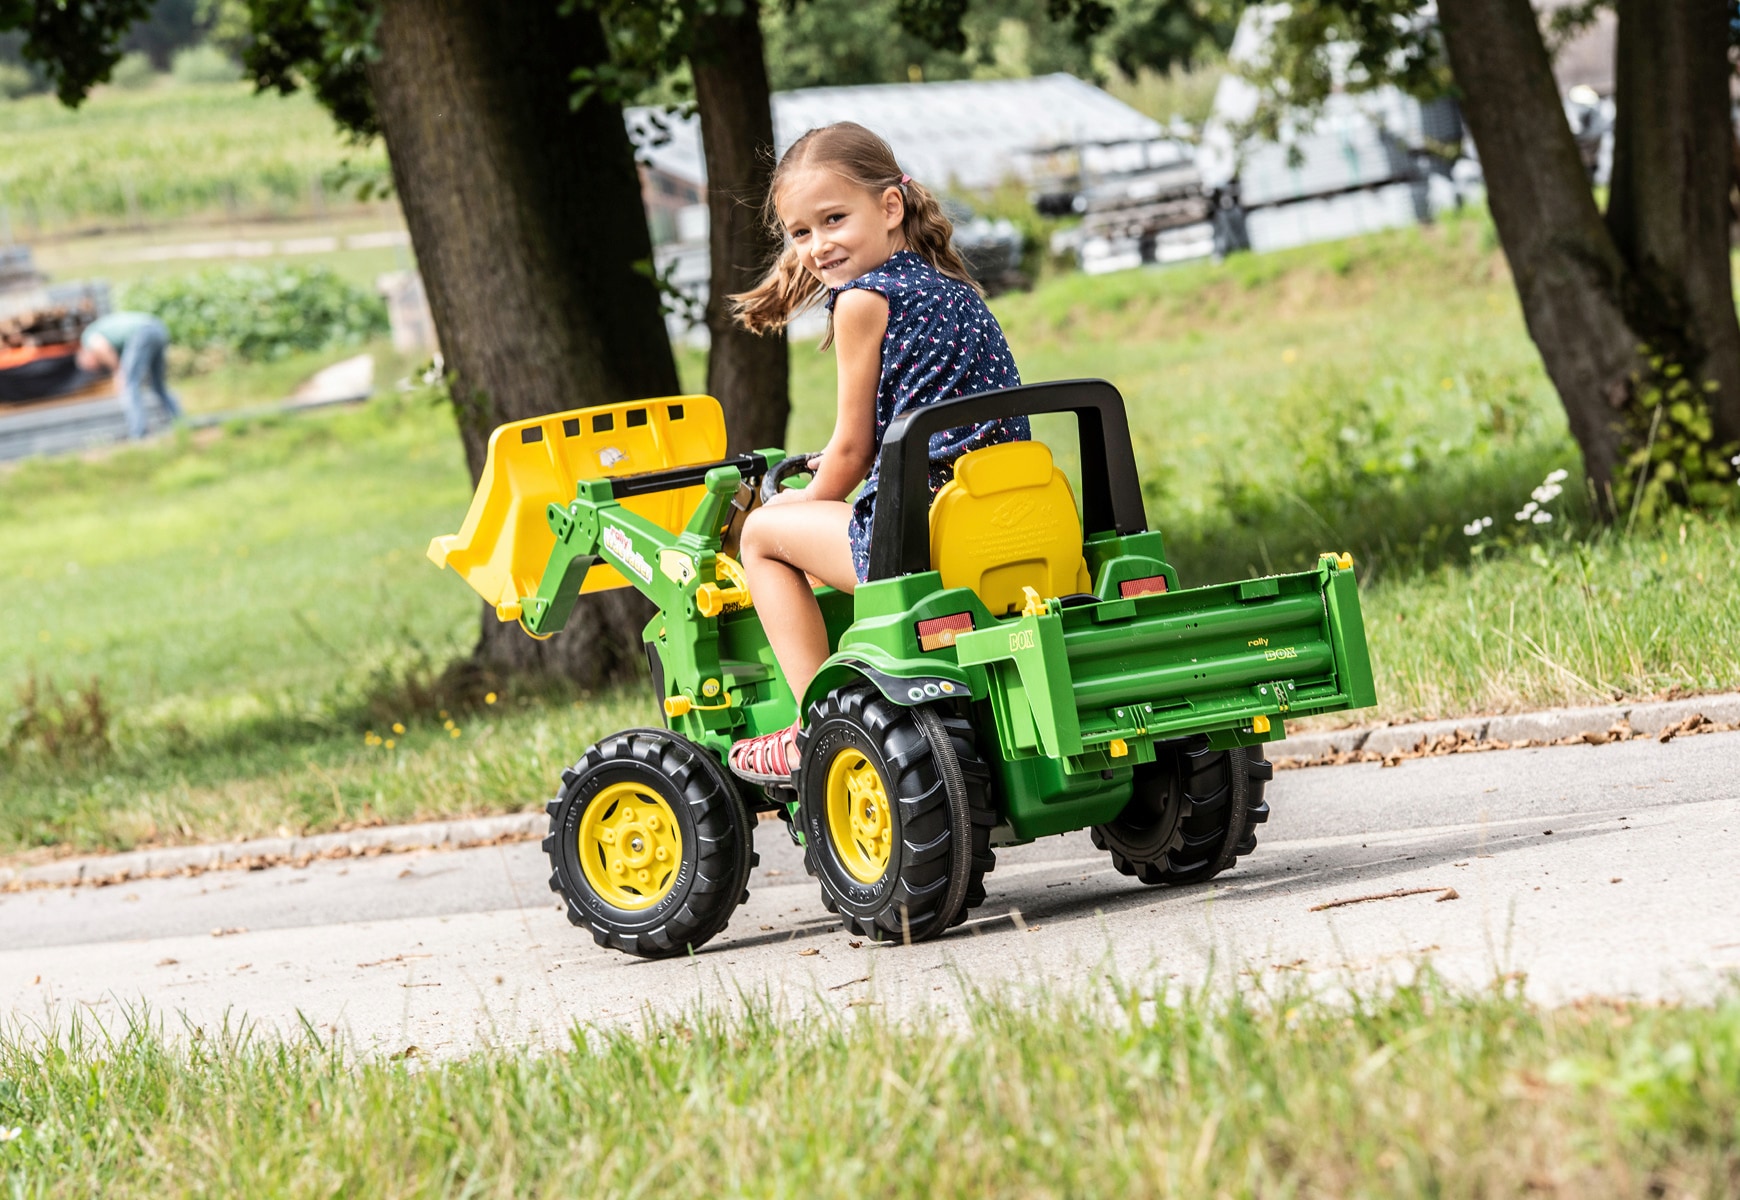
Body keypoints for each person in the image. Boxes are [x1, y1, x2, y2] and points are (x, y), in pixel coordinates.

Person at [726, 122, 1028, 782]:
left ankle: (817, 722)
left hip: (922, 535)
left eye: (833, 219)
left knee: (764, 535)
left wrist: (807, 497)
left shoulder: (861, 301)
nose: (817, 245)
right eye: (801, 233)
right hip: (1004, 520)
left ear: (889, 207)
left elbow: (854, 450)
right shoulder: (951, 287)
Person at [75, 311, 183, 439]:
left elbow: (101, 348)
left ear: (85, 356)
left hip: (141, 333)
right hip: (158, 328)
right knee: (158, 385)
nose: (97, 368)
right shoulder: (113, 340)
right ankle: (180, 421)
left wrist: (118, 371)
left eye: (93, 366)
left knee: (129, 385)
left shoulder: (88, 337)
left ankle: (139, 432)